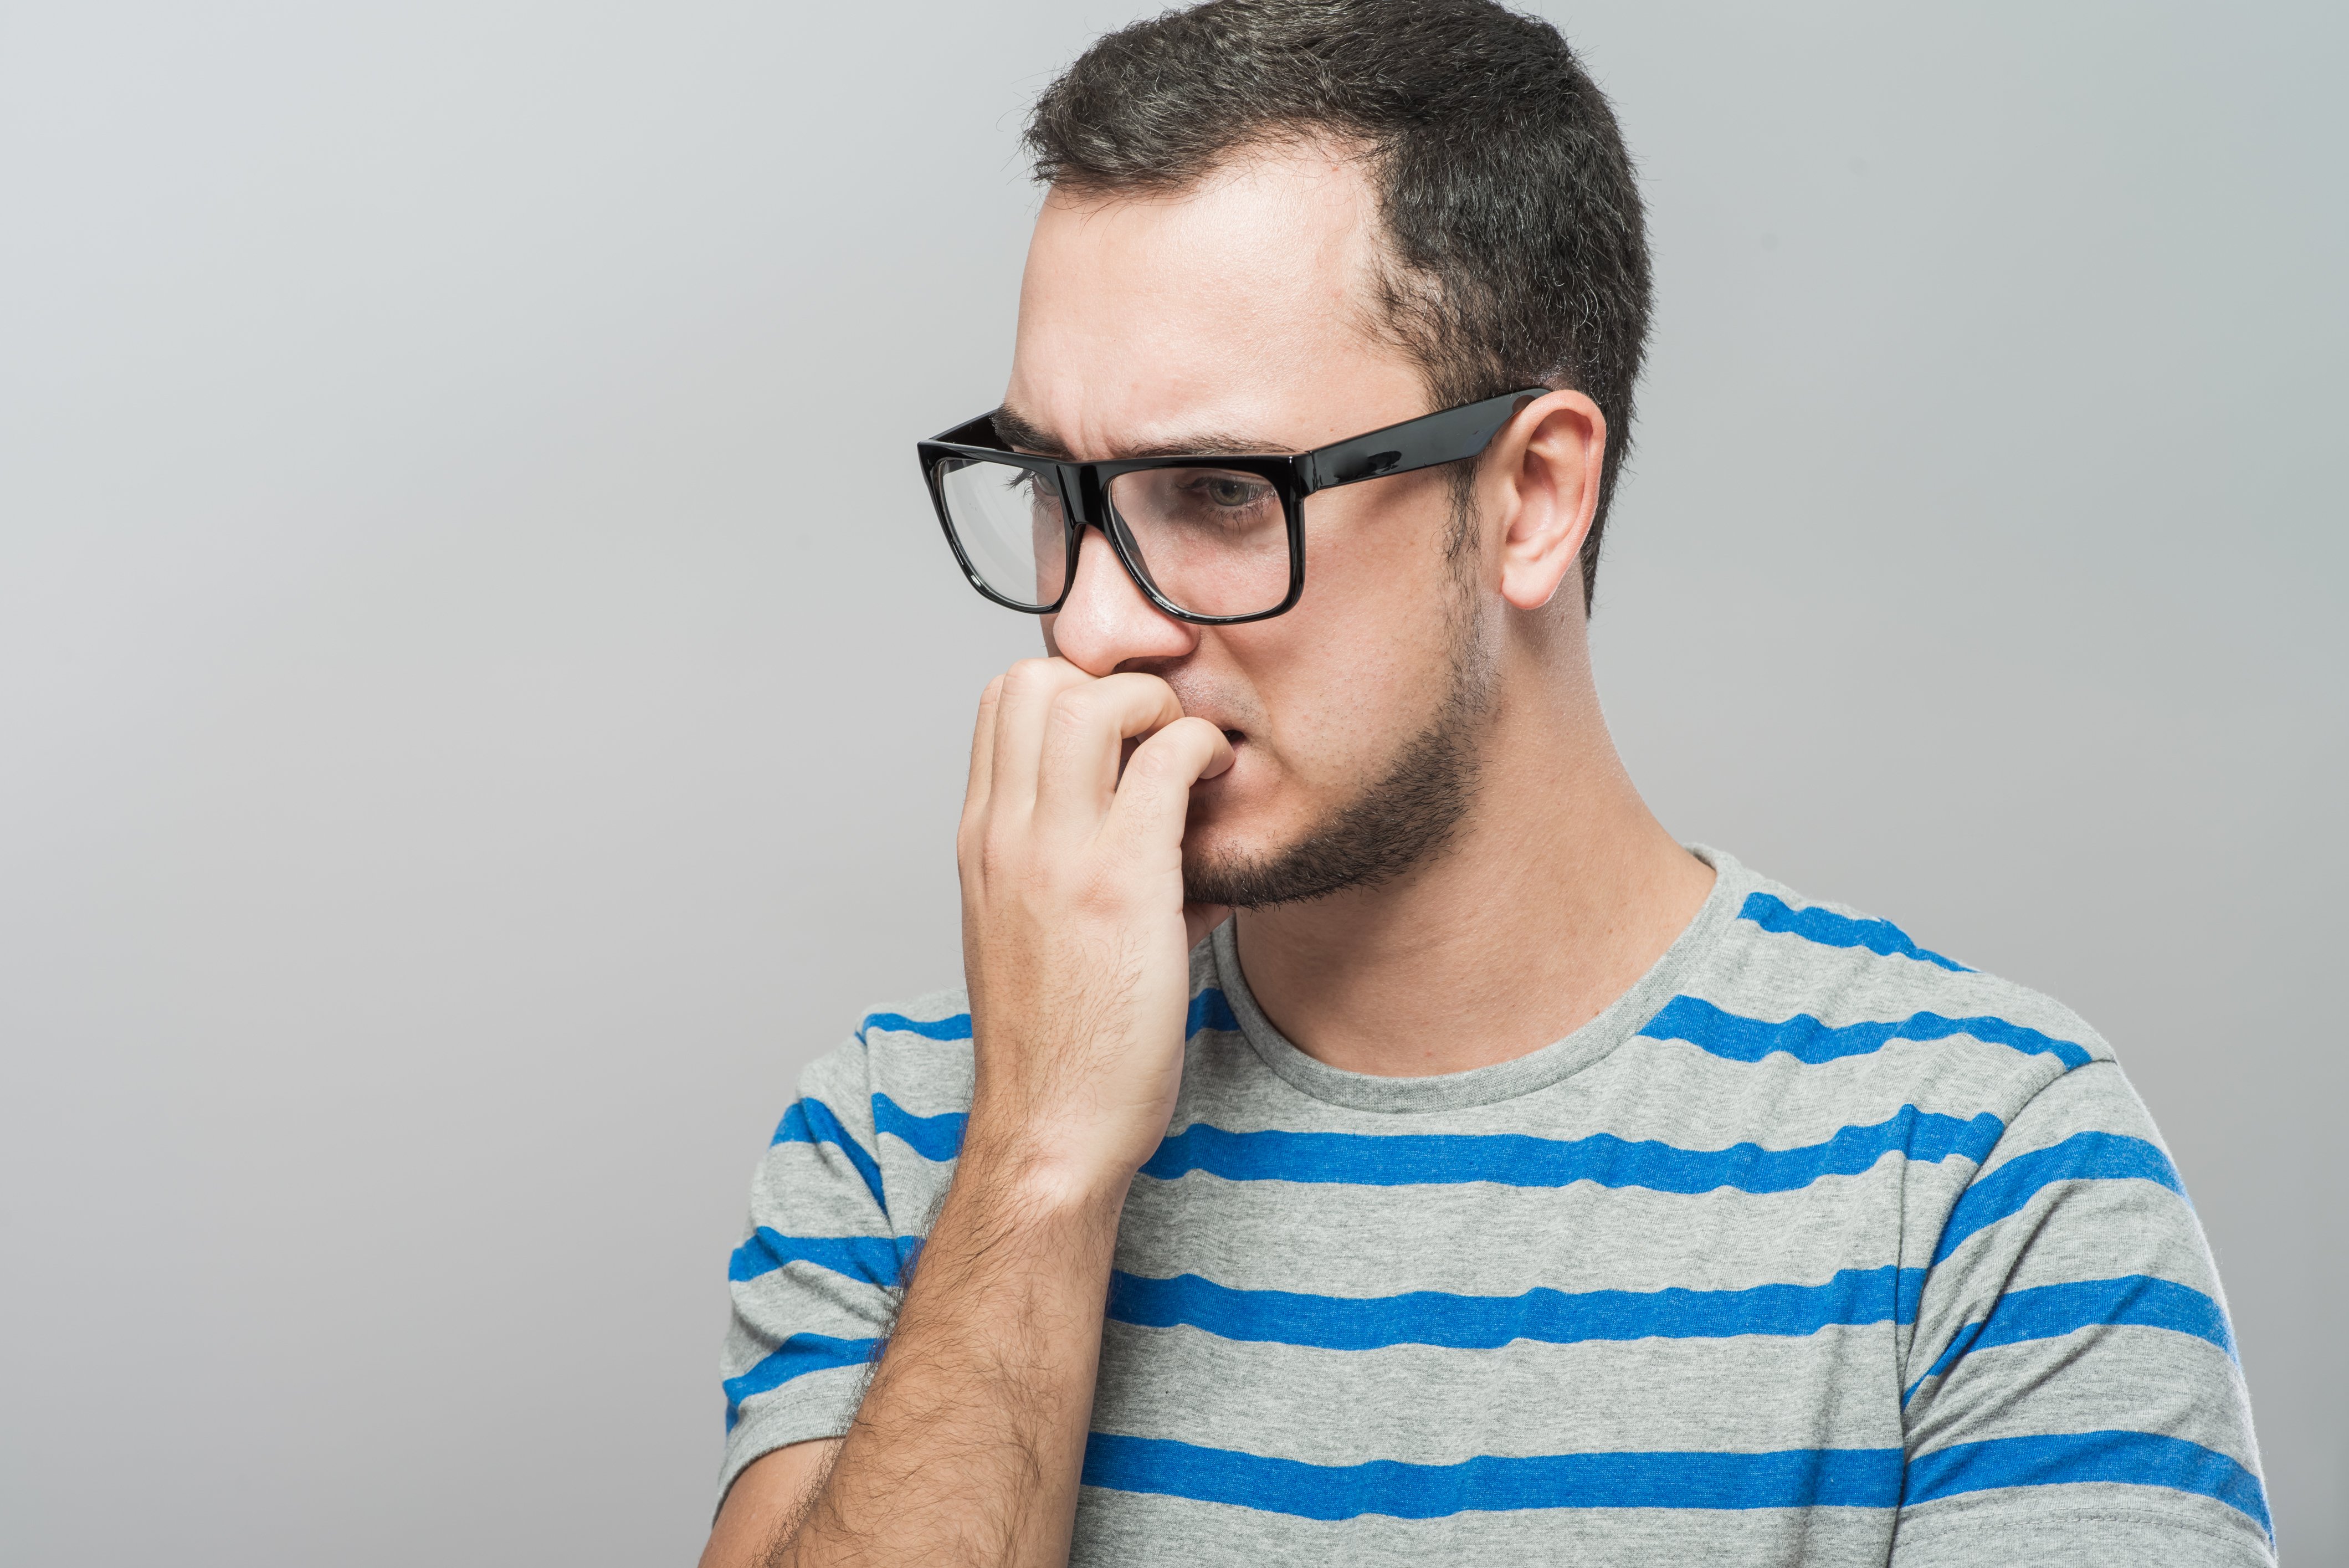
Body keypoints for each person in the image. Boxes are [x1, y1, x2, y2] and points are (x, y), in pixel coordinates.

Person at [699, 2, 2271, 1564]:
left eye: (1219, 497)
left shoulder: (1984, 1173)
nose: (1091, 625)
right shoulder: (913, 1142)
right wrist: (1039, 1165)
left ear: (1532, 496)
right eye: (1055, 491)